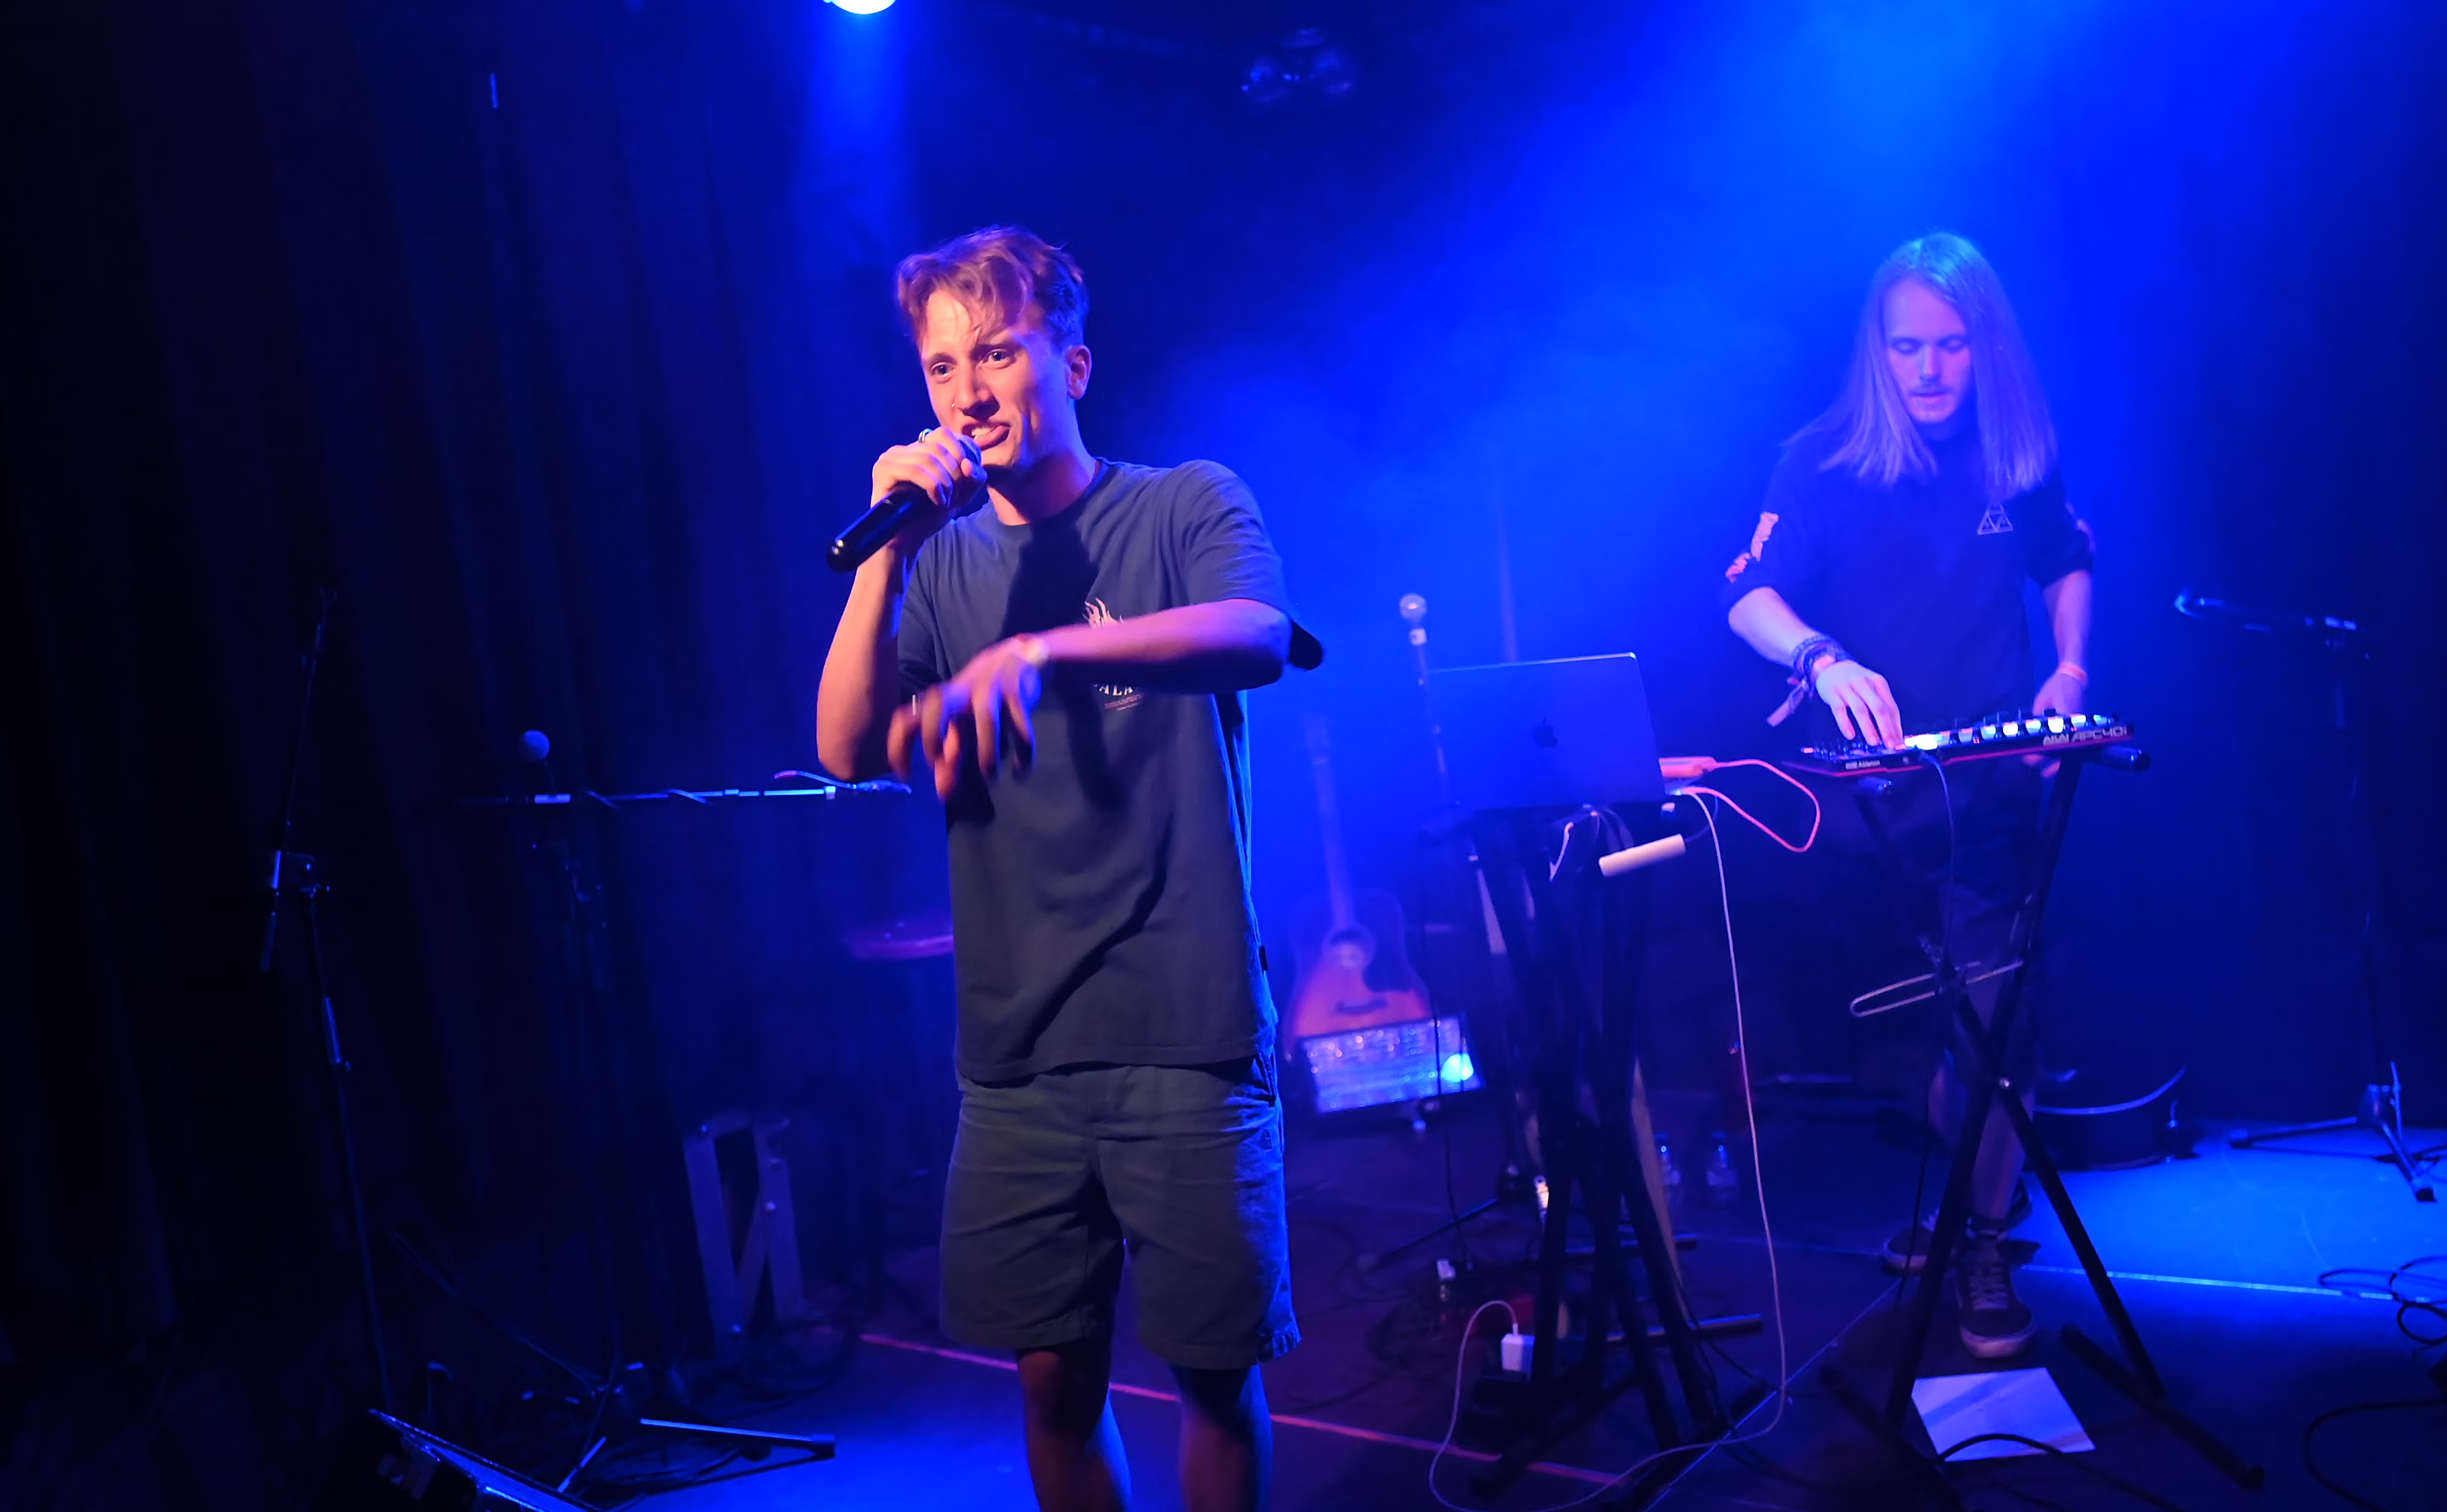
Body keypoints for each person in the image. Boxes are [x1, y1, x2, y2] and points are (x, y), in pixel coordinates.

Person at [816, 225, 1312, 1512]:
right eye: (941, 367)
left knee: (1214, 1378)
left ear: (1073, 364)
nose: (967, 391)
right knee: (1053, 1383)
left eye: (996, 352)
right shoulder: (938, 567)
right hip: (1019, 1051)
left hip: (1184, 1022)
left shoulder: (1182, 502)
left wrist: (1045, 653)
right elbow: (846, 747)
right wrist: (886, 554)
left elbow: (1259, 634)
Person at [1721, 231, 2094, 1360]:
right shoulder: (1820, 461)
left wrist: (2071, 671)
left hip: (1988, 793)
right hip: (1868, 807)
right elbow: (1747, 596)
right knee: (1920, 1047)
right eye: (1906, 347)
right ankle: (1975, 1184)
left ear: (1986, 346)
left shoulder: (2014, 451)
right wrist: (1820, 657)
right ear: (1875, 351)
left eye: (1951, 345)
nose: (1929, 370)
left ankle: (1980, 1237)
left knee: (1996, 1031)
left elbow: (2067, 559)